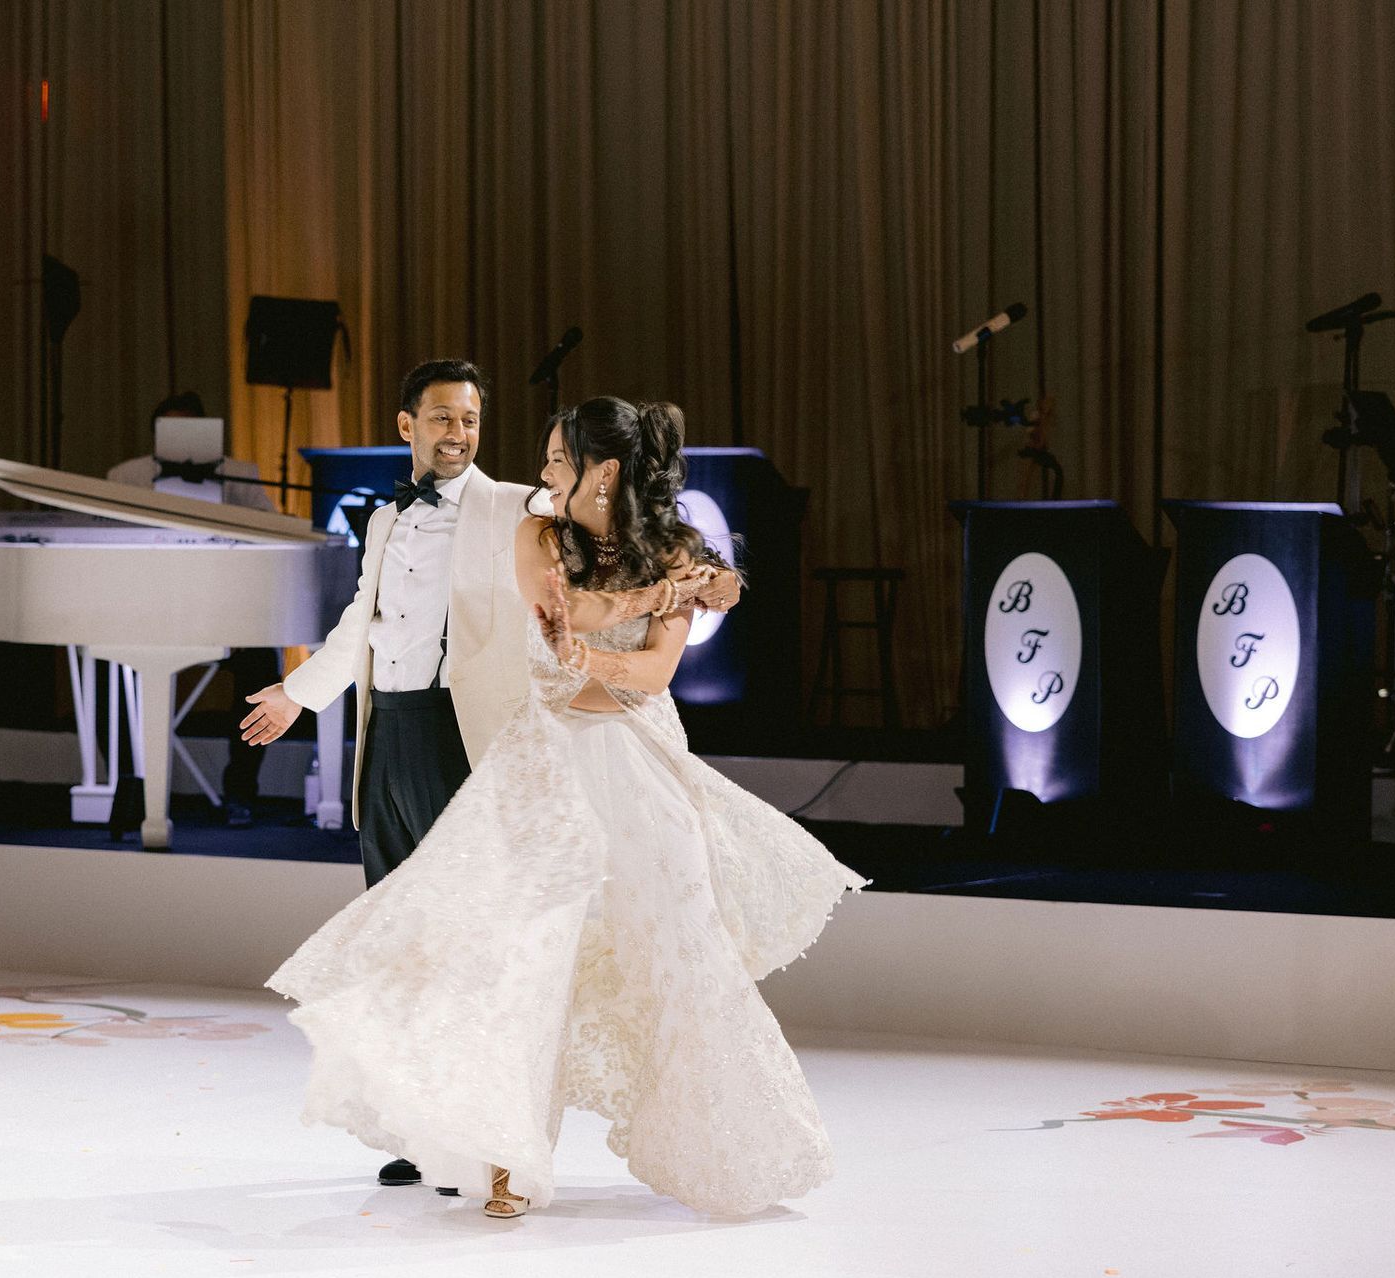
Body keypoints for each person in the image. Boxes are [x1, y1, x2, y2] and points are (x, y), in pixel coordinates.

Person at [266, 397, 864, 1219]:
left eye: (557, 458)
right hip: (545, 767)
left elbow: (653, 675)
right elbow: (568, 611)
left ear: (604, 470)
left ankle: (726, 1151)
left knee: (683, 951)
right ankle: (509, 1162)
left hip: (642, 764)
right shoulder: (540, 535)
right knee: (524, 958)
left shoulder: (680, 550)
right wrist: (641, 606)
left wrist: (619, 642)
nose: (544, 472)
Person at [108, 391, 278, 827]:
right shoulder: (126, 476)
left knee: (261, 669)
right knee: (104, 665)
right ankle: (130, 785)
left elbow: (272, 535)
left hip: (225, 613)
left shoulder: (238, 475)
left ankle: (241, 790)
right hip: (147, 612)